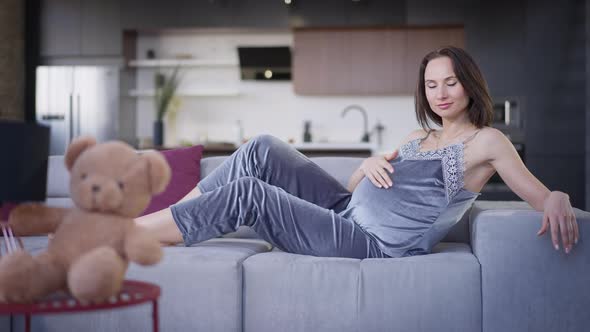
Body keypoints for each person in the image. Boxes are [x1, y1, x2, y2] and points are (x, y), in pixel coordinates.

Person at [136, 46, 579, 258]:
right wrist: (367, 166)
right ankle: (169, 217)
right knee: (262, 148)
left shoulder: (486, 141)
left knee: (250, 192)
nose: (440, 93)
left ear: (468, 82)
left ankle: (133, 233)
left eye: (450, 82)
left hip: (368, 242)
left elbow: (539, 195)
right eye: (431, 84)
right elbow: (355, 188)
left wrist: (556, 198)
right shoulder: (415, 138)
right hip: (345, 209)